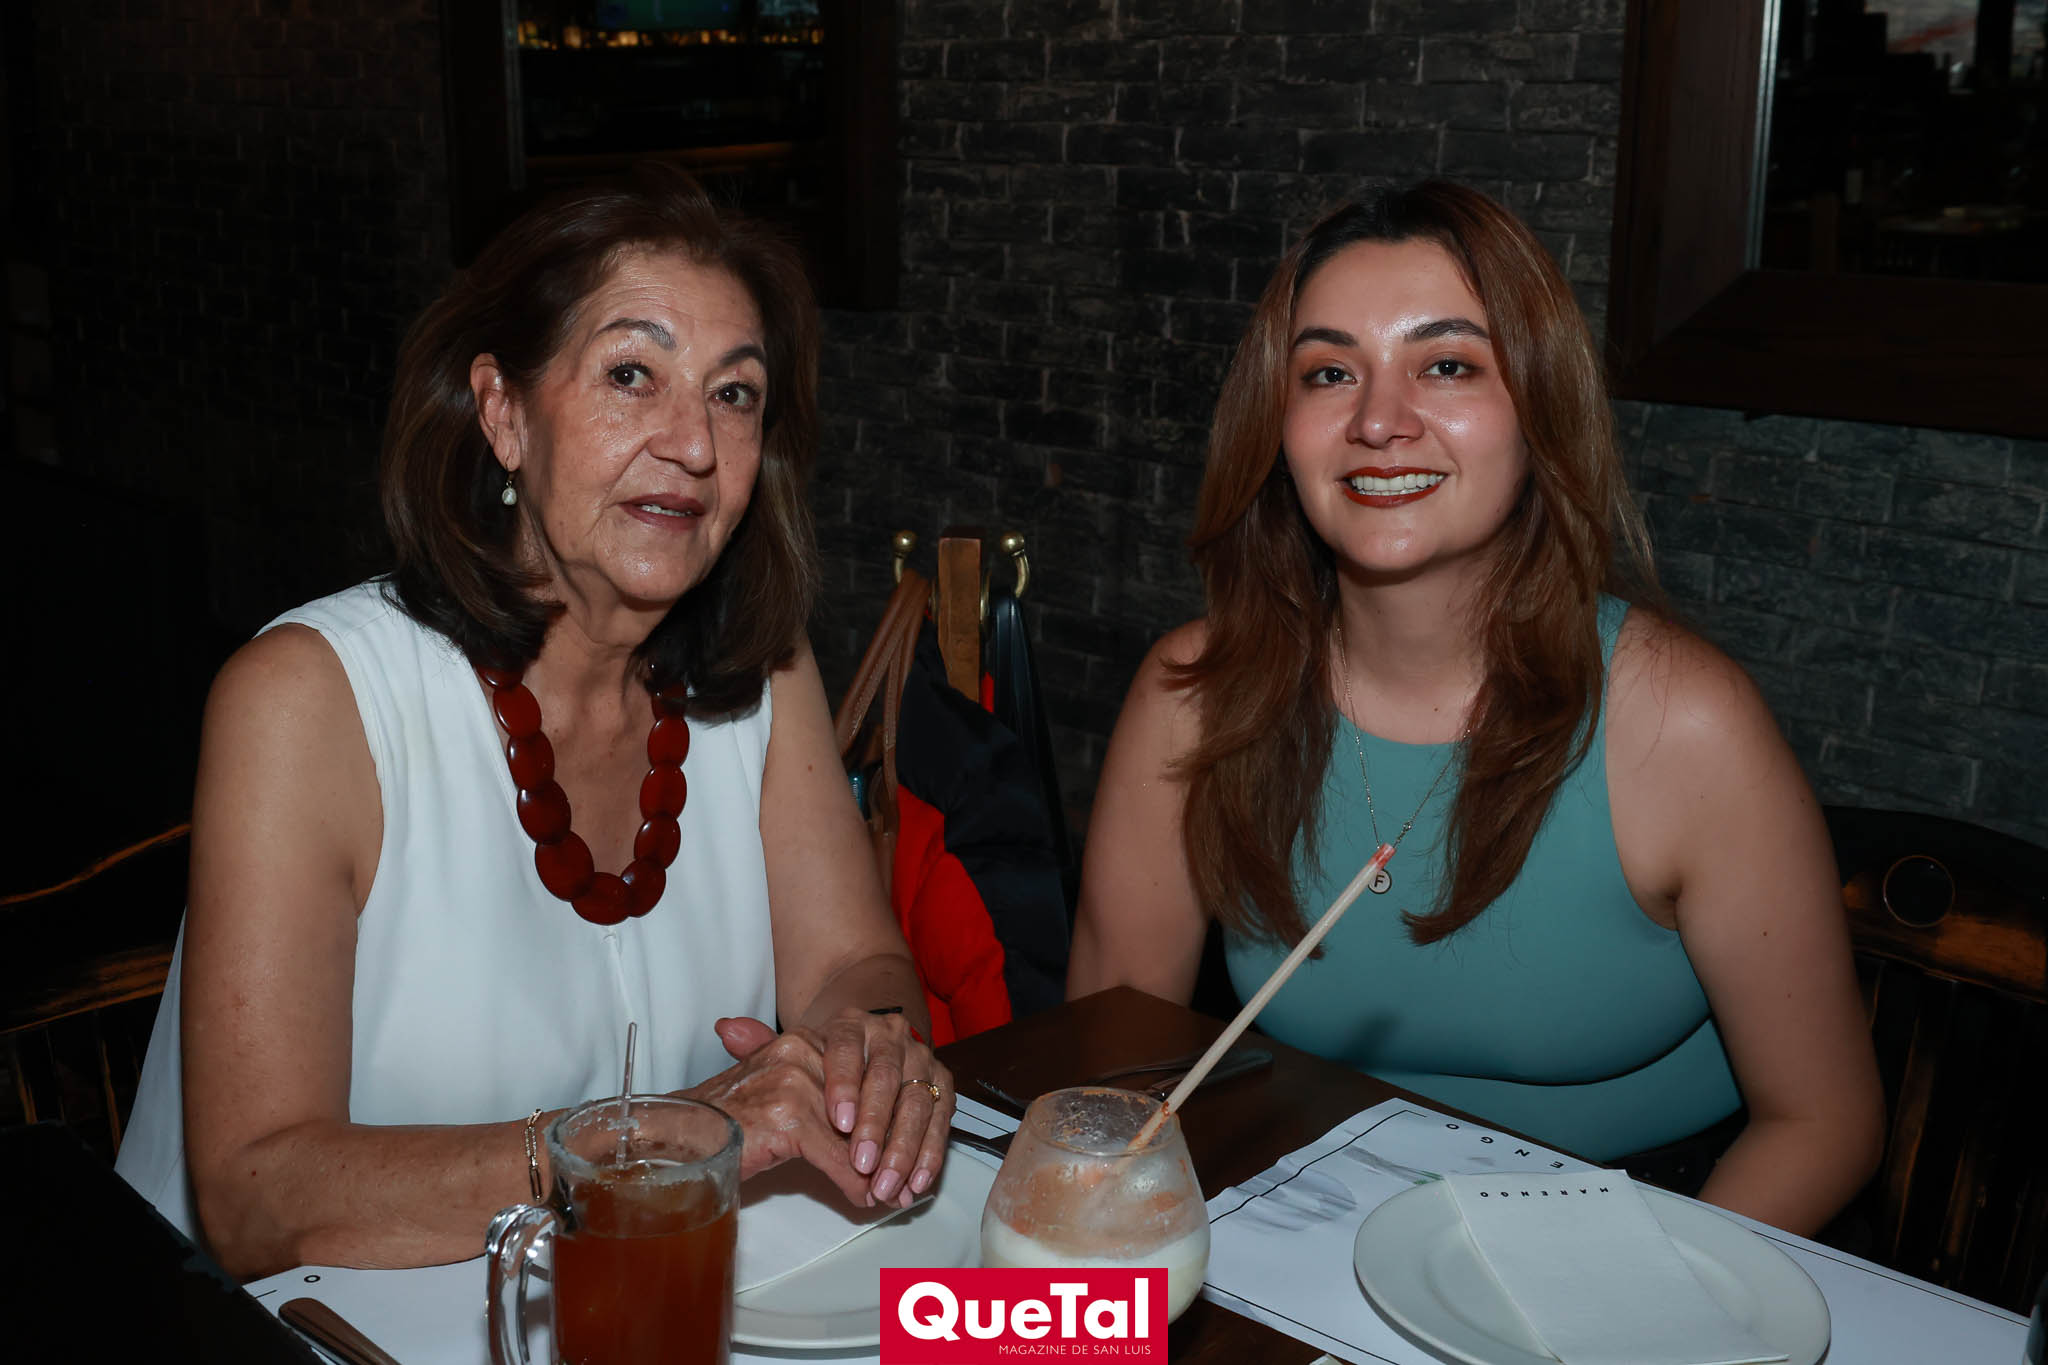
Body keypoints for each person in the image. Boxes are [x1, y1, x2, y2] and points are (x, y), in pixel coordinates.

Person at [116, 164, 952, 1277]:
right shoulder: (308, 700)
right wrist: (660, 1140)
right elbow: (254, 1195)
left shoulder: (763, 670)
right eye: (631, 374)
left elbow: (856, 960)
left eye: (734, 393)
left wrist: (869, 1053)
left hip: (630, 1301)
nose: (694, 445)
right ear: (503, 413)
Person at [1066, 181, 1883, 1236]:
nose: (1377, 420)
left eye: (1446, 364)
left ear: (1538, 407)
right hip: (1301, 1212)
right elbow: (1107, 1065)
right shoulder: (1193, 696)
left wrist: (1641, 1302)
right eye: (1329, 373)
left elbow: (1824, 1124)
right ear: (1279, 427)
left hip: (1650, 1226)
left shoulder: (1683, 723)